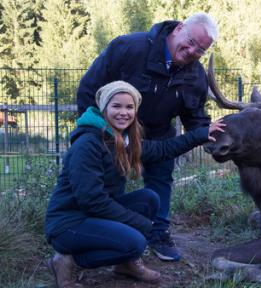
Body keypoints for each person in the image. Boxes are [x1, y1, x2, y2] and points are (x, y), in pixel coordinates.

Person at [45, 81, 224, 288]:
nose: (123, 113)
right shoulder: (88, 144)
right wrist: (139, 223)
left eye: (129, 107)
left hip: (92, 215)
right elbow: (92, 201)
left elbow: (164, 149)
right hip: (68, 223)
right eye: (116, 106)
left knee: (149, 199)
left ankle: (125, 265)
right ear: (104, 109)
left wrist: (201, 134)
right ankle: (67, 261)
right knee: (135, 242)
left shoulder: (123, 141)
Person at [76, 12, 219, 261]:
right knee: (110, 186)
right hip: (113, 133)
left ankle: (158, 233)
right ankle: (95, 233)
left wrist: (211, 137)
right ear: (179, 28)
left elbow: (194, 114)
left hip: (159, 133)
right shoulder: (129, 48)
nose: (193, 51)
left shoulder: (195, 75)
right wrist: (102, 133)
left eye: (201, 50)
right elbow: (89, 89)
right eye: (192, 41)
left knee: (161, 181)